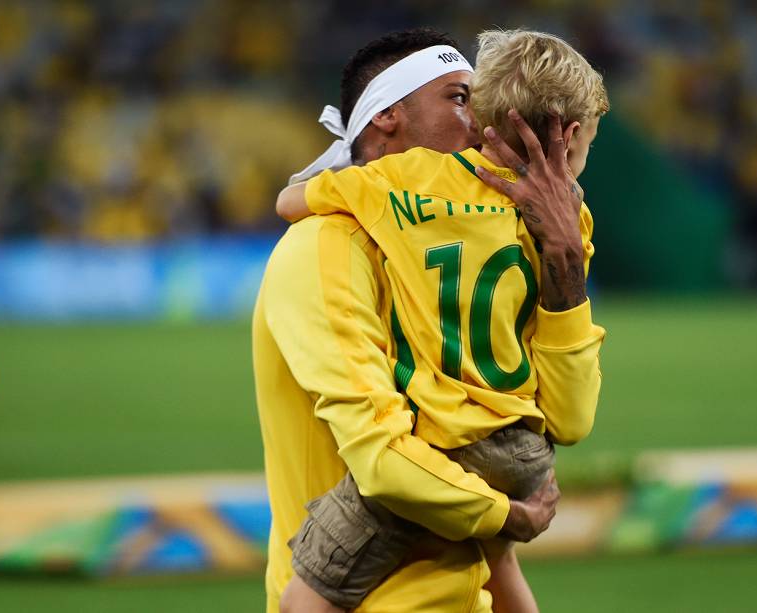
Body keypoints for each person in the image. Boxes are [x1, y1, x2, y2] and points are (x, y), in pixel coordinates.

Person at [253, 28, 595, 613]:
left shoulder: (483, 245)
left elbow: (567, 419)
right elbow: (383, 457)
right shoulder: (325, 247)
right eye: (462, 99)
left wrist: (565, 271)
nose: (483, 121)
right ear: (387, 116)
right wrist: (506, 512)